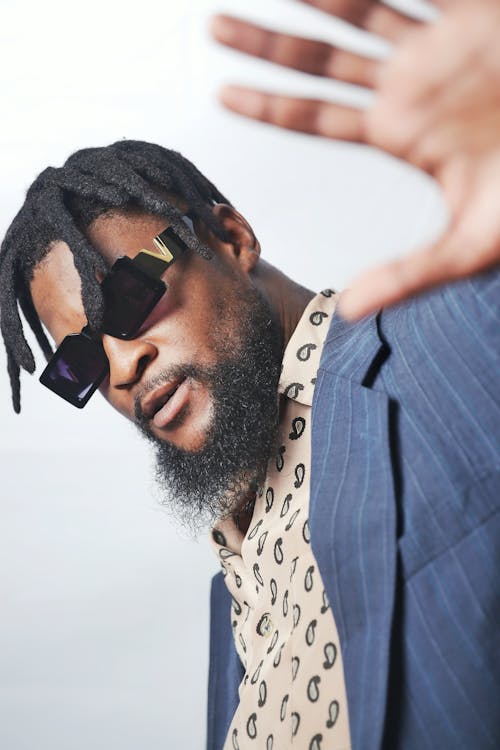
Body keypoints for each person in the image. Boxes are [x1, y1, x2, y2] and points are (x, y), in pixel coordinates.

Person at [0, 4, 498, 750]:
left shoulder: (443, 351)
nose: (123, 366)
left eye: (132, 298)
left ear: (231, 239)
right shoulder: (230, 593)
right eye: (83, 364)